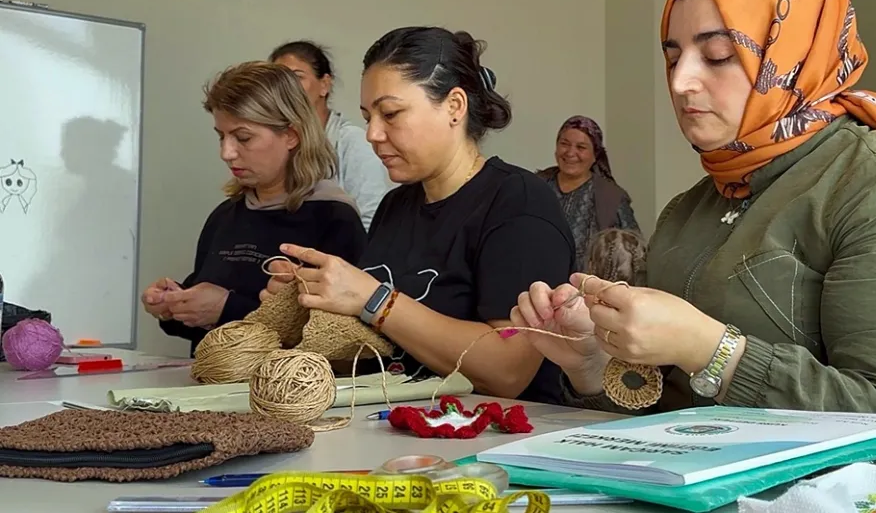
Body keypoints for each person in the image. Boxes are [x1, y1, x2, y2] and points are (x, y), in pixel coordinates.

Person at [511, 0, 876, 463]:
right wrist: (593, 364)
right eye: (673, 57)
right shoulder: (689, 210)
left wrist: (712, 350)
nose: (680, 82)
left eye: (718, 54)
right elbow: (681, 425)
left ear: (793, 55)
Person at [262, 26, 573, 402]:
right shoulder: (397, 205)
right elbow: (382, 348)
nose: (372, 133)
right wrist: (313, 302)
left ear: (455, 107)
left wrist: (373, 299)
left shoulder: (519, 203)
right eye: (367, 116)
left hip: (496, 439)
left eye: (390, 114)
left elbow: (507, 369)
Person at [142, 61, 367, 356]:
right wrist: (173, 307)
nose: (226, 152)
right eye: (221, 136)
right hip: (211, 389)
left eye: (243, 137)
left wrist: (227, 308)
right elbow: (203, 325)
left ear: (291, 135)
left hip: (285, 396)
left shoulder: (334, 218)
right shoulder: (225, 215)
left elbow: (339, 341)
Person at [269, 40, 395, 230]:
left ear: (324, 85)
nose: (286, 87)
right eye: (278, 79)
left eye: (297, 77)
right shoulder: (275, 142)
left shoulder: (352, 141)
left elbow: (371, 219)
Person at [537, 116, 641, 270]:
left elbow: (633, 250)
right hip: (538, 283)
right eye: (564, 144)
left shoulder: (611, 197)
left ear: (595, 155)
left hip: (588, 287)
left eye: (581, 147)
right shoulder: (537, 185)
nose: (570, 153)